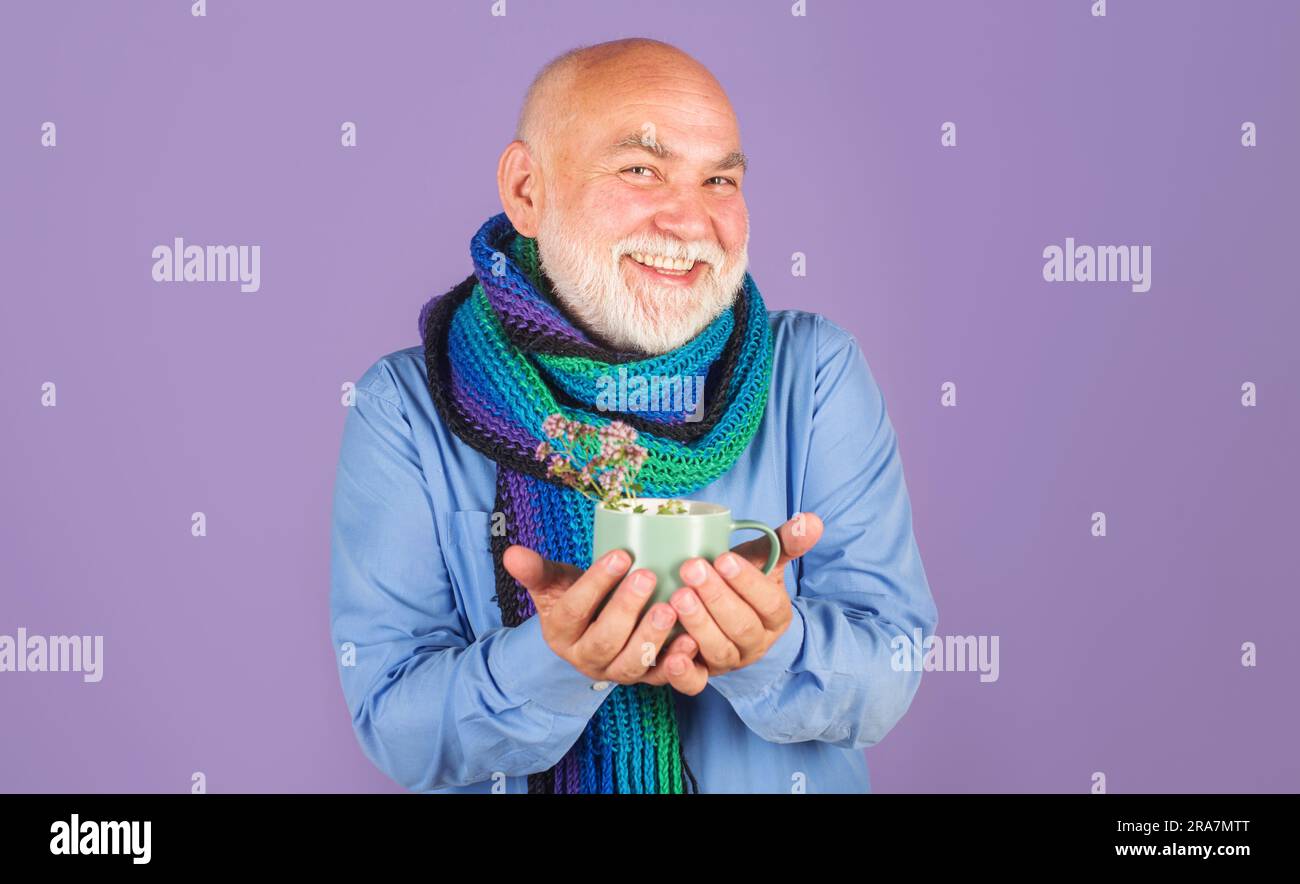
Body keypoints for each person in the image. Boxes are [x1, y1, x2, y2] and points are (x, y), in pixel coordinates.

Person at [329, 37, 938, 793]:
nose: (690, 221)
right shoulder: (409, 406)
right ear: (526, 191)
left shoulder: (814, 374)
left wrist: (774, 648)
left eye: (719, 179)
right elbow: (397, 727)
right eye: (641, 169)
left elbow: (893, 670)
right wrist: (553, 662)